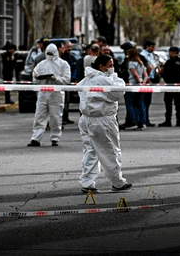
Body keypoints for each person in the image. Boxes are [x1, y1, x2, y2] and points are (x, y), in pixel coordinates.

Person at [77, 54, 132, 193]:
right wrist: (113, 77)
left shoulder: (86, 79)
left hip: (86, 119)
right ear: (101, 66)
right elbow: (118, 93)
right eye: (110, 64)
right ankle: (117, 182)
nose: (112, 67)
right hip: (102, 120)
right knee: (110, 151)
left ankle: (87, 182)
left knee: (90, 151)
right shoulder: (104, 80)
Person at [27, 44, 72, 147]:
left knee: (55, 117)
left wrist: (56, 79)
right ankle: (36, 138)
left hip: (56, 94)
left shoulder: (63, 64)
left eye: (52, 53)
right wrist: (38, 77)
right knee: (39, 116)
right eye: (48, 53)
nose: (50, 55)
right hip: (43, 93)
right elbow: (34, 77)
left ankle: (55, 138)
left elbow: (67, 79)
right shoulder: (41, 64)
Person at [158, 46, 180, 127]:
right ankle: (178, 121)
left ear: (172, 52)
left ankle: (168, 121)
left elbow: (163, 72)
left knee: (168, 104)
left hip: (169, 85)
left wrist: (160, 71)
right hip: (178, 85)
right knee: (178, 104)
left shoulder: (169, 62)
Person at [127, 47, 149, 130]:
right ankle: (143, 123)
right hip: (141, 85)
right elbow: (146, 74)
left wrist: (138, 82)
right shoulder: (140, 63)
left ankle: (134, 122)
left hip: (133, 85)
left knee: (131, 103)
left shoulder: (131, 63)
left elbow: (134, 74)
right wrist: (143, 82)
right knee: (141, 104)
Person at [140, 40, 158, 127]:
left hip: (151, 79)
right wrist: (147, 79)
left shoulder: (152, 55)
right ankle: (144, 120)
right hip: (146, 80)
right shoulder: (143, 55)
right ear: (147, 46)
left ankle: (146, 119)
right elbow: (146, 68)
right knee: (144, 101)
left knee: (148, 102)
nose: (153, 49)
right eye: (152, 47)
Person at [60, 41, 78, 125]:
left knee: (67, 100)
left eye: (70, 47)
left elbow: (75, 67)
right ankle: (62, 118)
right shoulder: (61, 58)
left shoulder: (71, 57)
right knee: (62, 101)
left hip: (68, 82)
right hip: (61, 83)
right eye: (68, 47)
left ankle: (65, 117)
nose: (69, 49)